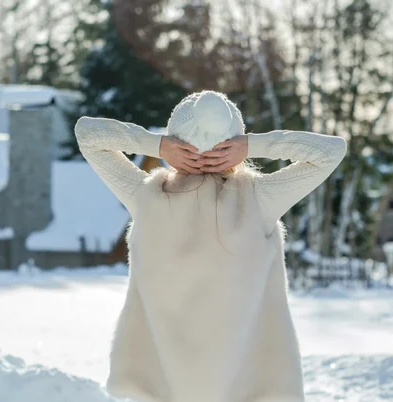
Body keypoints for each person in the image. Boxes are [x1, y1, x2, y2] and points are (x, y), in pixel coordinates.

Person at [75, 91, 346, 402]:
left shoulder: (144, 196)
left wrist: (157, 145)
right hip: (248, 391)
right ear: (233, 145)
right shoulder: (261, 199)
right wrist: (252, 146)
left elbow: (88, 133)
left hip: (156, 390)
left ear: (176, 140)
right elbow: (330, 150)